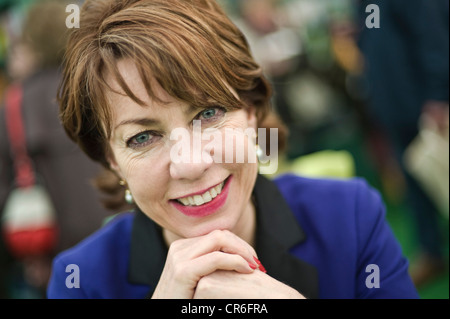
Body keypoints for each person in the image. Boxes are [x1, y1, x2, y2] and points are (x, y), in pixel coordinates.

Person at [47, 0, 418, 299]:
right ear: (112, 160)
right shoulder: (81, 282)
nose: (190, 164)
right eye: (142, 137)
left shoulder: (350, 216)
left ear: (253, 113)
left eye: (208, 113)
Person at [0, 0, 112, 298]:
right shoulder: (106, 85)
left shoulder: (14, 104)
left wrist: (29, 255)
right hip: (122, 241)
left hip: (55, 259)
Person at [356, 0, 449, 288]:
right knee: (415, 183)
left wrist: (438, 95)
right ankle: (431, 250)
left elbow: (432, 37)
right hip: (394, 107)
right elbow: (374, 36)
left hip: (423, 105)